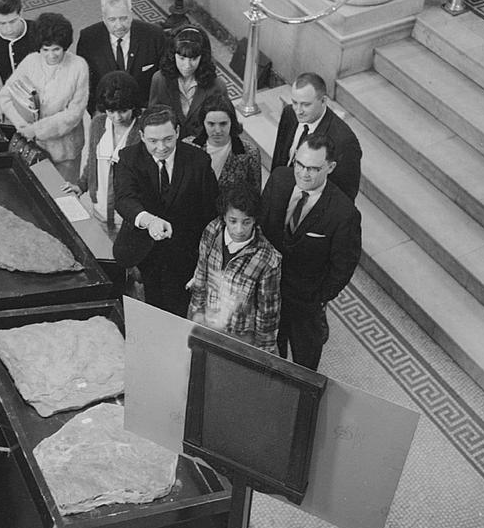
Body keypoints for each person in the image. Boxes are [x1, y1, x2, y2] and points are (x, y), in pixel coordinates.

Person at [258, 133, 362, 370]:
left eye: (313, 168)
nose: (304, 173)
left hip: (306, 303)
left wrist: (317, 298)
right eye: (300, 164)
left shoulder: (343, 213)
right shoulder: (279, 179)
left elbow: (343, 267)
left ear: (330, 167)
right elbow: (262, 225)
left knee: (305, 365)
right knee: (267, 355)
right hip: (268, 289)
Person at [113, 104, 218, 318]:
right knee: (145, 311)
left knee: (175, 313)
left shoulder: (199, 161)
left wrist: (205, 261)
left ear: (178, 132)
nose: (161, 147)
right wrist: (150, 221)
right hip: (143, 252)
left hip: (183, 256)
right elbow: (124, 200)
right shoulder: (128, 159)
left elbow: (210, 213)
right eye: (153, 141)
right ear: (142, 136)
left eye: (168, 139)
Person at [188, 183, 281, 353]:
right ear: (224, 217)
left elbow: (267, 312)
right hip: (207, 321)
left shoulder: (268, 259)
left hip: (239, 334)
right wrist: (195, 313)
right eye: (233, 221)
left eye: (246, 222)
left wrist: (263, 352)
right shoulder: (212, 231)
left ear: (255, 220)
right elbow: (201, 275)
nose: (239, 229)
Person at [0, 12, 89, 184]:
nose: (51, 55)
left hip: (66, 151)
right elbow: (6, 95)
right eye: (45, 50)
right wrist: (21, 125)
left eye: (57, 49)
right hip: (34, 147)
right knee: (41, 189)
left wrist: (37, 129)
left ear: (65, 46)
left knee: (64, 196)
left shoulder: (78, 66)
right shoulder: (31, 61)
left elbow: (75, 113)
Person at [61, 71, 142, 230]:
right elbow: (92, 160)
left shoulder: (142, 131)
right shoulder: (98, 124)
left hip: (129, 218)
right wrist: (81, 185)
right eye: (111, 111)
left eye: (123, 111)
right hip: (99, 210)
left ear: (133, 106)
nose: (117, 117)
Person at [271, 72, 362, 201]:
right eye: (295, 102)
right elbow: (279, 157)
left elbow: (345, 195)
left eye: (306, 104)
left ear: (323, 101)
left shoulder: (344, 142)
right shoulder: (289, 114)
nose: (298, 110)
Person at [76, 0, 166, 115]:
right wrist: (95, 112)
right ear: (103, 18)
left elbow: (165, 78)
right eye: (112, 20)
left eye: (123, 18)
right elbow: (84, 81)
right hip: (107, 111)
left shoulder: (154, 35)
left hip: (144, 109)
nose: (119, 26)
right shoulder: (88, 39)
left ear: (131, 14)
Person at [148, 23, 227, 141]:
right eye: (181, 58)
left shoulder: (217, 86)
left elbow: (222, 125)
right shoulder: (159, 80)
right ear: (172, 55)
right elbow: (153, 119)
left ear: (203, 57)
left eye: (194, 58)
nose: (187, 65)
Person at [192, 92, 262, 193]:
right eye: (211, 124)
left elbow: (254, 195)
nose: (217, 130)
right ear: (203, 122)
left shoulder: (250, 153)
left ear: (232, 122)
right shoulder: (189, 147)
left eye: (223, 124)